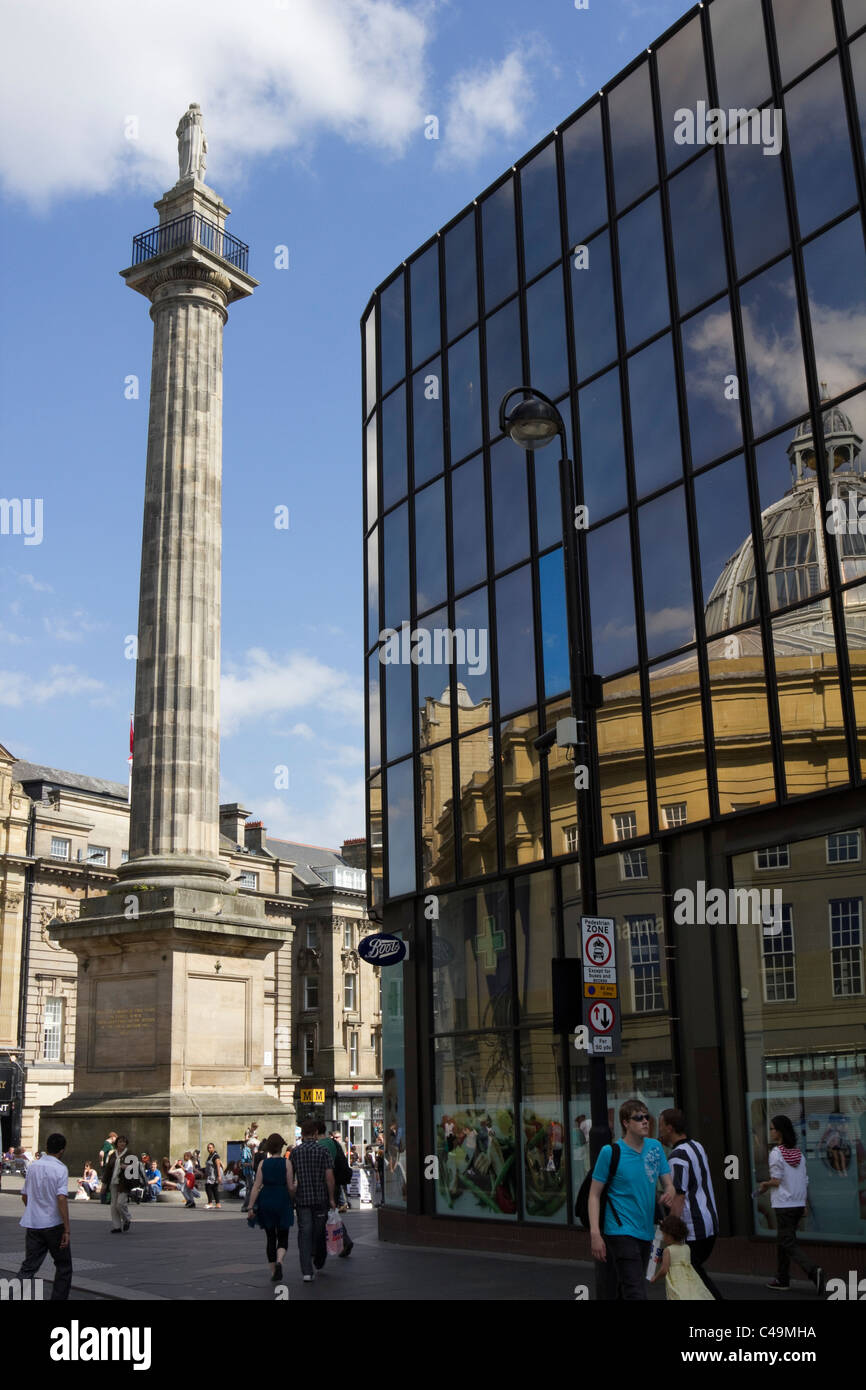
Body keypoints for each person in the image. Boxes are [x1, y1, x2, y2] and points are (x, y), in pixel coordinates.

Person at [589, 1097, 676, 1300]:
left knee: (627, 1285)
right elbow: (594, 1194)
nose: (645, 1121)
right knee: (635, 1289)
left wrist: (670, 1191)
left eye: (646, 1117)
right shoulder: (610, 1152)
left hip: (646, 1231)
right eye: (638, 1118)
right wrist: (595, 1234)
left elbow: (668, 1183)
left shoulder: (655, 1148)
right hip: (620, 1230)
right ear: (626, 1123)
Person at [657, 1108, 723, 1300]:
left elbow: (679, 1198)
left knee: (692, 1272)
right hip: (709, 1223)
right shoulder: (696, 1146)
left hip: (693, 1227)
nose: (659, 1131)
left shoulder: (677, 1157)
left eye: (661, 1126)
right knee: (692, 1271)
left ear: (669, 1128)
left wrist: (669, 1229)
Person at [758, 1115, 824, 1294]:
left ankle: (813, 1271)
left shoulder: (776, 1153)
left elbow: (776, 1181)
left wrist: (764, 1185)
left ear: (779, 1132)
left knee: (787, 1241)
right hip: (796, 1203)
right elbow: (804, 1180)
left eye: (772, 1128)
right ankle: (782, 1278)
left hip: (784, 1204)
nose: (770, 1132)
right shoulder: (798, 1154)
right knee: (784, 1240)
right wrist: (804, 1203)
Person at [16, 1132, 72, 1301]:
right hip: (53, 1224)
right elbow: (61, 1198)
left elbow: (25, 1196)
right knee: (63, 1266)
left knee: (29, 1267)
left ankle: (11, 1296)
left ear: (47, 1147)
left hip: (33, 1224)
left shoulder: (33, 1166)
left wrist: (34, 1209)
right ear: (61, 1151)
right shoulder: (61, 1168)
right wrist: (67, 1229)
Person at [291, 1119, 336, 1281]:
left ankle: (307, 1272)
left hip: (303, 1199)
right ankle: (318, 1259)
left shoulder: (295, 1152)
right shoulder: (323, 1151)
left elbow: (291, 1179)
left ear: (302, 1134)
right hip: (320, 1198)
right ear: (316, 1133)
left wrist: (291, 1196)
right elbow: (329, 1177)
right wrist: (331, 1198)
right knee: (319, 1231)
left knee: (304, 1233)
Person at [246, 1132, 295, 1282]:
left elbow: (256, 1186)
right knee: (283, 1235)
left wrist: (250, 1207)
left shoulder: (262, 1164)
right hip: (282, 1199)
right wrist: (293, 1198)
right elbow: (290, 1187)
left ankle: (274, 1272)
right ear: (281, 1147)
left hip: (266, 1199)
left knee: (270, 1237)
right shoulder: (286, 1163)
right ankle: (280, 1261)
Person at [650, 1213, 714, 1300]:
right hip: (690, 1278)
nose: (663, 1238)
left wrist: (655, 1278)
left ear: (669, 1235)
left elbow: (664, 1270)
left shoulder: (668, 1250)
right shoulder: (686, 1247)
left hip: (676, 1280)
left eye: (664, 1234)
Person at [317, 1121, 354, 1256]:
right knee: (331, 1214)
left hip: (327, 1185)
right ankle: (345, 1240)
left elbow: (327, 1169)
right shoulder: (333, 1142)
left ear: (315, 1132)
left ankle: (341, 1241)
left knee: (323, 1214)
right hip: (336, 1183)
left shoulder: (321, 1145)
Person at [101, 1135, 143, 1233]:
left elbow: (136, 1167)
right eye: (120, 1142)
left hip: (125, 1182)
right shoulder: (113, 1154)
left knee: (120, 1203)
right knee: (113, 1205)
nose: (122, 1144)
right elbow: (108, 1170)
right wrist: (104, 1184)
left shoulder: (130, 1154)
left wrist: (127, 1167)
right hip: (113, 1181)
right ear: (117, 1144)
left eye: (124, 1142)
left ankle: (127, 1218)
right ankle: (117, 1226)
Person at [203, 1142, 223, 1209]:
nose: (209, 1149)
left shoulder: (215, 1156)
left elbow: (218, 1165)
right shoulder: (210, 1155)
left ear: (213, 1148)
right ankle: (218, 1203)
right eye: (208, 1148)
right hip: (210, 1174)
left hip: (213, 1175)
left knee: (208, 1187)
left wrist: (219, 1176)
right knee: (214, 1188)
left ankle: (210, 1203)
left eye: (210, 1148)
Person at [99, 1131, 117, 1204]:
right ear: (113, 1137)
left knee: (106, 1182)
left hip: (108, 1166)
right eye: (116, 1138)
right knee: (105, 1183)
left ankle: (105, 1199)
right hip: (107, 1166)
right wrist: (101, 1161)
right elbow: (101, 1153)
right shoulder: (107, 1144)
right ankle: (104, 1199)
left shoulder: (108, 1144)